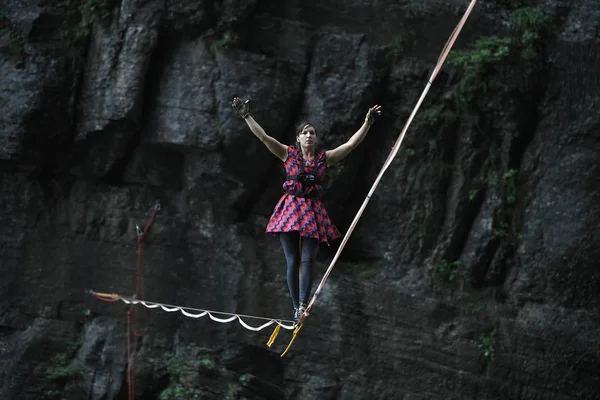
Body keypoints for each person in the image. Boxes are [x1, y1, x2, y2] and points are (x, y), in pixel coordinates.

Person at [232, 96, 382, 323]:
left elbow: (350, 145)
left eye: (312, 132)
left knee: (309, 259)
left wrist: (367, 123)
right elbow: (263, 137)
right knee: (293, 260)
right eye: (305, 132)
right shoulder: (287, 154)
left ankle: (303, 303)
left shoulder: (324, 159)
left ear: (316, 138)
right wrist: (246, 115)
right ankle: (296, 307)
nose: (309, 135)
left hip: (312, 210)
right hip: (290, 208)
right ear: (298, 138)